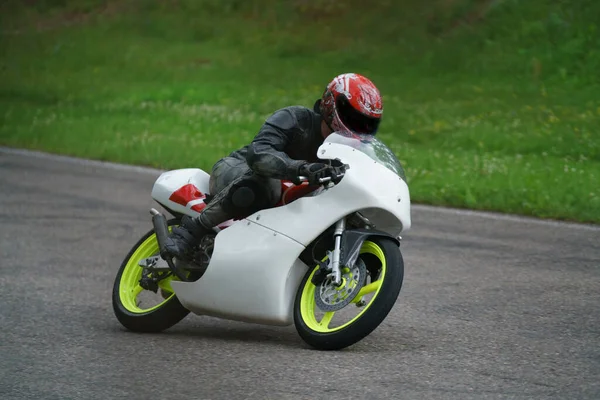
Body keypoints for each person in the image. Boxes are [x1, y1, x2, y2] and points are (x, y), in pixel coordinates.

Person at [163, 72, 384, 262]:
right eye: (353, 118)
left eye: (366, 123)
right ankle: (190, 232)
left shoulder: (349, 152)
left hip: (284, 200)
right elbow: (259, 153)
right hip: (236, 170)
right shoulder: (295, 118)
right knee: (264, 185)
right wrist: (300, 168)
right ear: (331, 104)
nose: (359, 128)